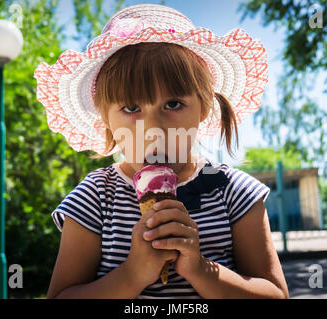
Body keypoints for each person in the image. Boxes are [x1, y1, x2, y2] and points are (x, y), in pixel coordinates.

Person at [34, 3, 289, 299]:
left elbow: (276, 295)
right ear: (106, 120)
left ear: (204, 107)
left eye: (173, 104)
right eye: (131, 108)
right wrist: (132, 275)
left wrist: (200, 269)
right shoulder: (95, 198)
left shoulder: (234, 192)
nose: (153, 128)